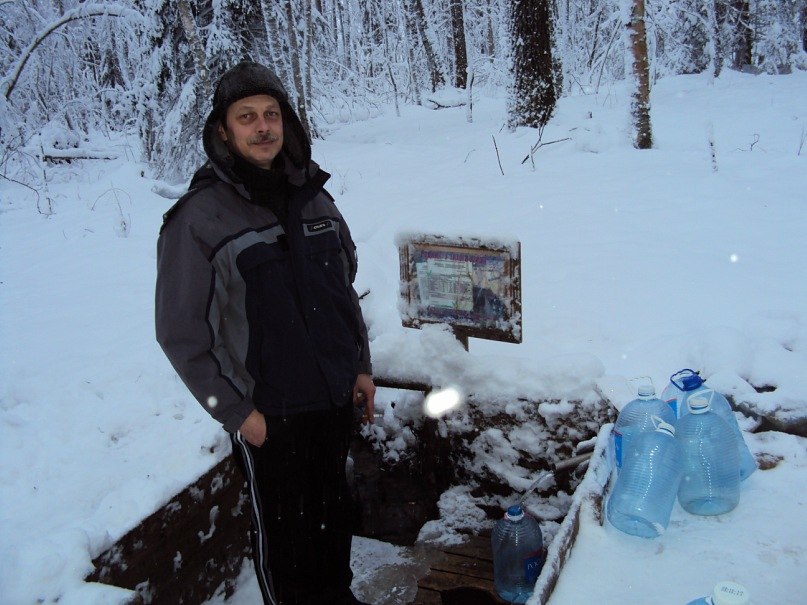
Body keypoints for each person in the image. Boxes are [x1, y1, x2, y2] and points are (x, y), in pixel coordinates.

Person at [155, 61, 375, 605]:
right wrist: (237, 414)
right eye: (247, 116)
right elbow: (180, 334)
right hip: (268, 417)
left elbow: (344, 292)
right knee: (286, 542)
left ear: (287, 124)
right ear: (224, 131)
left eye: (271, 115)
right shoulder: (199, 219)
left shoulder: (315, 199)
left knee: (334, 515)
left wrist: (362, 367)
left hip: (332, 401)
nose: (262, 127)